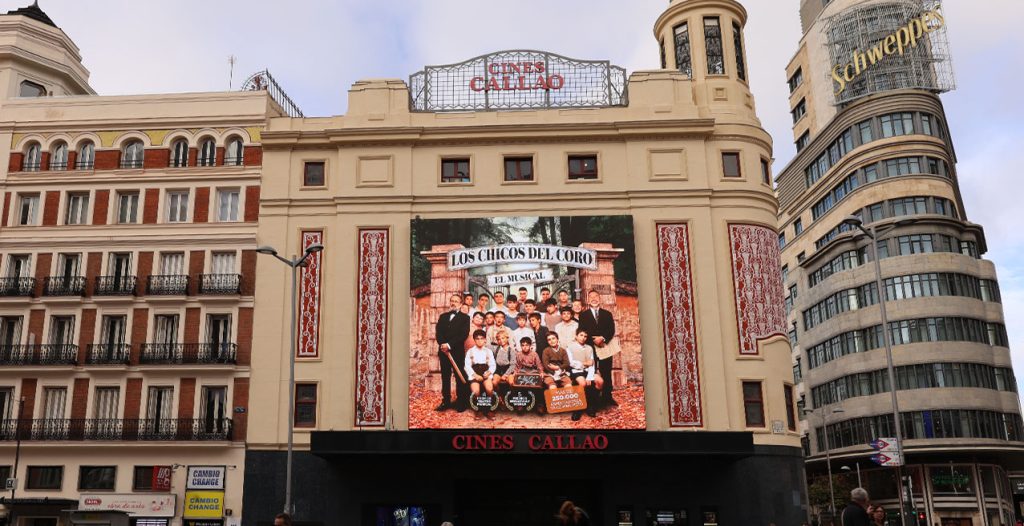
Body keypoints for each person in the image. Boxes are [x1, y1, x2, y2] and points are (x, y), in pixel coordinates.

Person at [577, 290, 617, 407]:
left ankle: (607, 397)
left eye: (596, 296)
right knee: (591, 372)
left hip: (605, 347)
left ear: (599, 299)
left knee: (606, 372)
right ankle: (593, 399)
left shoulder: (607, 314)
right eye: (591, 297)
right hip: (590, 348)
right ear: (588, 300)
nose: (594, 298)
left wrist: (603, 338)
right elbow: (582, 331)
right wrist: (593, 340)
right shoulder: (583, 315)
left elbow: (611, 330)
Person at [435, 294, 471, 412]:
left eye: (456, 301)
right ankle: (446, 401)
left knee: (459, 376)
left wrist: (449, 345)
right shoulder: (443, 316)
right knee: (445, 377)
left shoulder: (465, 318)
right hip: (443, 352)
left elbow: (463, 335)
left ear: (460, 304)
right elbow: (438, 333)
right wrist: (443, 344)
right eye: (452, 301)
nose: (453, 303)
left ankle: (461, 402)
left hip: (457, 352)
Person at [464, 329, 496, 418]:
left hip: (485, 372)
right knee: (476, 391)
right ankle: (479, 410)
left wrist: (489, 372)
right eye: (477, 339)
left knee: (489, 389)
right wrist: (475, 375)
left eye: (482, 338)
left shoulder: (488, 351)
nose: (479, 341)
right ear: (474, 340)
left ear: (485, 339)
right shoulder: (470, 351)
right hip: (475, 372)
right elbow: (467, 366)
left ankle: (488, 410)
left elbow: (492, 365)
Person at [565, 328, 596, 421]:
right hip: (576, 371)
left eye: (585, 336)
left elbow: (592, 363)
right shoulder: (570, 347)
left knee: (599, 381)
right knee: (582, 383)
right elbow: (571, 363)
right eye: (581, 335)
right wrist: (585, 363)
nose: (583, 338)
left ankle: (590, 406)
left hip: (587, 370)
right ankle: (577, 409)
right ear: (576, 336)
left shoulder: (589, 348)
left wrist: (590, 376)